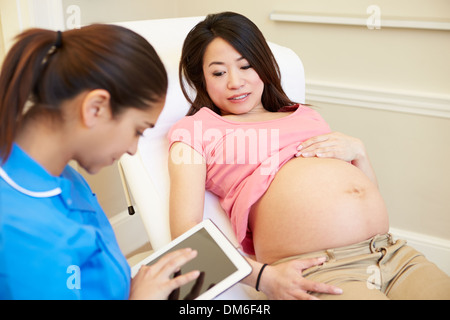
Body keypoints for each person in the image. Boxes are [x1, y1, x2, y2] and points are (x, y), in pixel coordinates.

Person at [168, 12, 450, 300]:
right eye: (218, 72)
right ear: (200, 79)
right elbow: (186, 237)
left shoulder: (305, 115)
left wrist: (359, 153)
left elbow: (363, 194)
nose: (235, 82)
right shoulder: (196, 131)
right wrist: (264, 278)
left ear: (263, 66)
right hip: (317, 270)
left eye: (246, 66)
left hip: (391, 253)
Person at [0, 25, 200, 299]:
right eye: (137, 130)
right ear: (95, 108)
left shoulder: (65, 177)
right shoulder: (22, 229)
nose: (132, 149)